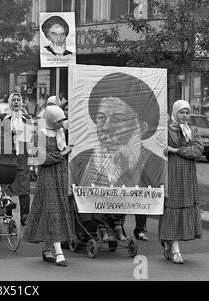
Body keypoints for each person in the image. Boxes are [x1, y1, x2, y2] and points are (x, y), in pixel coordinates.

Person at [69, 73, 166, 241]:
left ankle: (117, 225)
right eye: (101, 118)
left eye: (118, 119)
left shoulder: (156, 165)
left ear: (140, 128)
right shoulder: (80, 160)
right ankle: (102, 228)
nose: (106, 127)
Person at [23, 106, 75, 267]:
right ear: (52, 119)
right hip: (47, 177)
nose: (62, 123)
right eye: (59, 120)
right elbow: (40, 158)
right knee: (53, 211)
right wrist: (63, 154)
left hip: (61, 174)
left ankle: (47, 250)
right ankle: (59, 252)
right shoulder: (40, 134)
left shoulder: (60, 133)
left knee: (55, 210)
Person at [160, 100, 203, 264]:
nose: (184, 116)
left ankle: (170, 243)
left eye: (187, 113)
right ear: (175, 113)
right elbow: (159, 148)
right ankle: (175, 248)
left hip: (188, 174)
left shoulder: (193, 130)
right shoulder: (165, 131)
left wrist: (176, 150)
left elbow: (197, 150)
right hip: (172, 174)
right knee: (173, 207)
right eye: (181, 112)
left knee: (184, 207)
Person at [0, 93, 32, 226]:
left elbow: (30, 138)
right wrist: (10, 133)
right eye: (14, 100)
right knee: (7, 184)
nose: (16, 102)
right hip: (8, 155)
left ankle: (25, 215)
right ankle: (8, 215)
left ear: (21, 102)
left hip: (23, 154)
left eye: (18, 99)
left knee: (24, 185)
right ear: (9, 102)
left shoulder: (26, 118)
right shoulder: (3, 117)